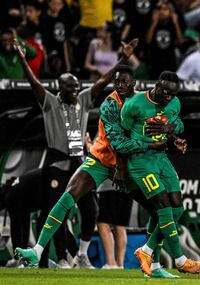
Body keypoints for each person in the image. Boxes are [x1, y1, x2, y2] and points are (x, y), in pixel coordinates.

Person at [11, 39, 136, 269]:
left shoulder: (83, 100)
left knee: (92, 211)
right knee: (56, 210)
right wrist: (21, 59)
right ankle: (53, 259)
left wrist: (124, 59)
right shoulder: (49, 102)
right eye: (71, 87)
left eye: (77, 86)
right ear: (61, 88)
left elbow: (102, 80)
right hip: (57, 163)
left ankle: (81, 254)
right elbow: (33, 82)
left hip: (80, 162)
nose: (76, 90)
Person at [124, 71, 200, 276]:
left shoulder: (174, 103)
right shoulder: (134, 103)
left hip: (162, 160)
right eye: (166, 92)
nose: (169, 97)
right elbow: (120, 136)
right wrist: (120, 168)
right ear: (157, 86)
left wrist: (172, 129)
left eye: (173, 94)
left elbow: (179, 124)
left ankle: (146, 250)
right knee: (162, 204)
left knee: (177, 207)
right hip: (141, 161)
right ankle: (180, 260)